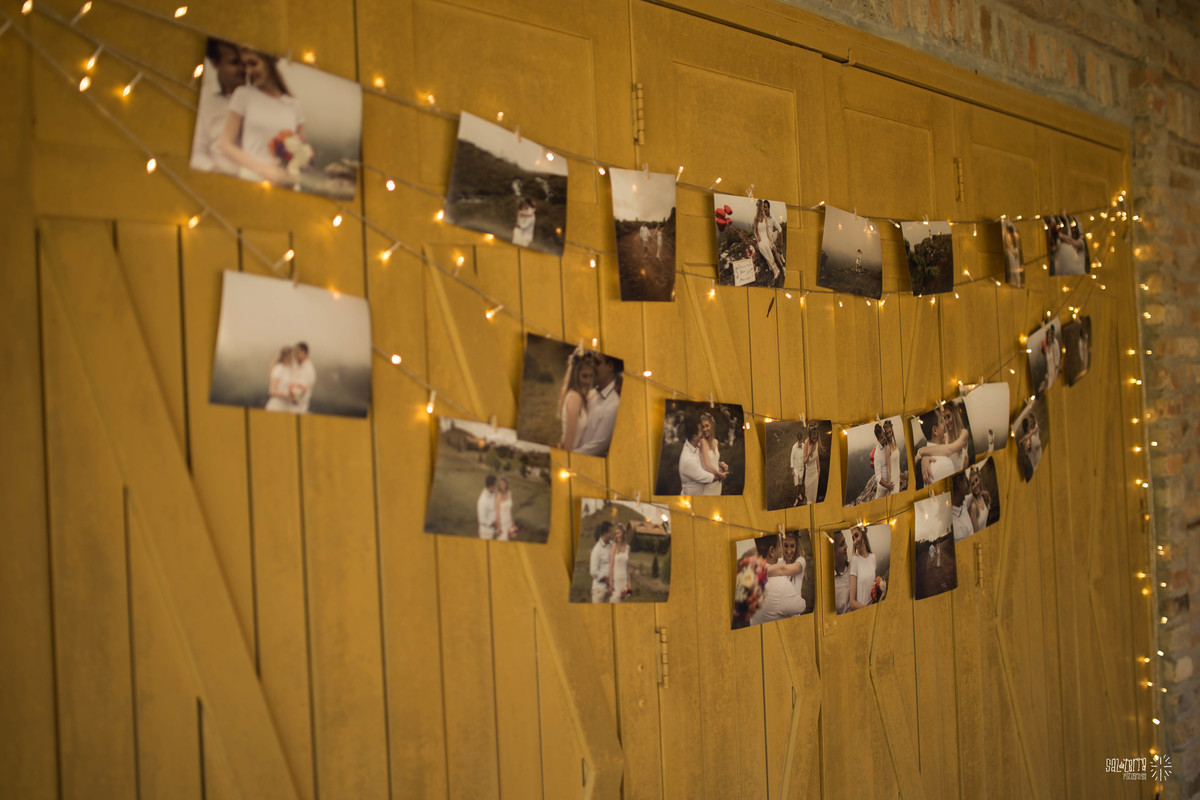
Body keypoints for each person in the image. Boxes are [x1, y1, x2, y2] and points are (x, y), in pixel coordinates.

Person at [219, 47, 307, 187]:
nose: (248, 71)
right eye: (245, 65)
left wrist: (292, 174)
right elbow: (225, 145)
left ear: (269, 63)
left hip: (284, 185)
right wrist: (263, 169)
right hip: (251, 180)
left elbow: (301, 152)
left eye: (253, 64)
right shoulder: (243, 94)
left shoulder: (294, 105)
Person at [190, 38, 244, 175]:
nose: (243, 69)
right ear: (215, 64)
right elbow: (196, 150)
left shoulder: (260, 93)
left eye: (245, 62)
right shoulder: (203, 99)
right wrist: (215, 172)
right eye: (235, 62)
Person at [749, 535, 806, 624]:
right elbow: (802, 607)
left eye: (792, 546)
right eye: (781, 545)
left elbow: (791, 568)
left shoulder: (749, 579)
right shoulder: (781, 583)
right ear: (772, 551)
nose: (788, 550)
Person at [575, 354, 621, 457]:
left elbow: (595, 447)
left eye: (597, 363)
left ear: (610, 366)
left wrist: (568, 454)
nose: (593, 367)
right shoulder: (591, 393)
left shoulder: (613, 405)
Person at [916, 404, 969, 486]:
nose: (946, 422)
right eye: (943, 419)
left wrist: (922, 451)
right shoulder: (944, 438)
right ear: (935, 430)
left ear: (954, 415)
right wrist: (924, 458)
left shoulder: (964, 433)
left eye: (948, 416)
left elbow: (949, 450)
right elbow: (935, 448)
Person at [557, 351, 595, 452]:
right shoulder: (575, 398)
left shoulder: (579, 396)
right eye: (584, 376)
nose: (588, 381)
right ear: (575, 374)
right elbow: (568, 443)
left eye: (591, 376)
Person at [678, 415, 716, 495]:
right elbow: (709, 478)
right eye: (701, 431)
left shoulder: (697, 445)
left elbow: (707, 460)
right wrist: (722, 475)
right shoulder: (688, 459)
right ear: (695, 437)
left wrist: (719, 464)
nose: (703, 431)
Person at [698, 411, 729, 496]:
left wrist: (721, 464)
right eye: (703, 427)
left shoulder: (716, 442)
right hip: (709, 482)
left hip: (717, 483)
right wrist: (720, 475)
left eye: (707, 426)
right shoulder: (702, 442)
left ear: (711, 426)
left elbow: (713, 461)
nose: (705, 429)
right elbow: (707, 466)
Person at [753, 199, 785, 282]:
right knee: (762, 247)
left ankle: (775, 268)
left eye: (763, 207)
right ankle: (775, 268)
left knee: (767, 246)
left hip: (766, 237)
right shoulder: (756, 218)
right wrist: (757, 238)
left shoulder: (765, 218)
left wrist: (771, 242)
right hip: (761, 237)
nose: (762, 209)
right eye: (761, 207)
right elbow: (755, 231)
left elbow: (767, 231)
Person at [848, 526, 877, 610]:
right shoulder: (855, 560)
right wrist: (867, 608)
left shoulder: (873, 558)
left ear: (863, 534)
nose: (854, 541)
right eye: (853, 538)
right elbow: (852, 603)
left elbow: (874, 588)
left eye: (856, 535)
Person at [589, 521, 615, 602]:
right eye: (610, 532)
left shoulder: (611, 545)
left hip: (610, 590)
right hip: (599, 590)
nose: (611, 534)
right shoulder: (597, 549)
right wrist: (606, 579)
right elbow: (593, 571)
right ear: (604, 533)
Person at [265, 346, 295, 412]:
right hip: (277, 406)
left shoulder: (289, 369)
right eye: (291, 356)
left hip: (287, 406)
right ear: (286, 356)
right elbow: (272, 391)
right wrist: (287, 396)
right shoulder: (278, 368)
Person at [290, 342, 316, 413]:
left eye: (297, 352)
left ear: (304, 352)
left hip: (298, 407)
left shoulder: (308, 369)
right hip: (292, 406)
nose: (295, 355)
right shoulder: (298, 366)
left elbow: (300, 389)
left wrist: (291, 396)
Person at [608, 526, 631, 603]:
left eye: (618, 533)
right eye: (615, 533)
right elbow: (611, 565)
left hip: (624, 582)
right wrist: (611, 583)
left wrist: (629, 583)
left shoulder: (628, 548)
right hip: (615, 582)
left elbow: (627, 567)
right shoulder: (614, 546)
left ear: (623, 533)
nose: (616, 535)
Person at [833, 532, 851, 615]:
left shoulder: (855, 565)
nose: (846, 546)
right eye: (841, 544)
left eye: (845, 542)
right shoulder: (830, 586)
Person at [872, 423, 893, 499]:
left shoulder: (887, 443)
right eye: (881, 437)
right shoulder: (877, 454)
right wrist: (887, 485)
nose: (884, 438)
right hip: (883, 489)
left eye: (884, 434)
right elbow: (878, 477)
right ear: (878, 439)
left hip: (891, 484)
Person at [476, 475, 499, 539]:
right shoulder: (483, 500)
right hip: (486, 532)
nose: (496, 487)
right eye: (495, 485)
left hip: (494, 530)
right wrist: (493, 524)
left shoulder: (494, 493)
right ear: (491, 486)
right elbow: (482, 520)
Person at [1040, 324, 1061, 391]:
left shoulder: (1054, 344)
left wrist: (1056, 367)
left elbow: (1056, 357)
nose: (1050, 336)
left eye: (1051, 334)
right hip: (1049, 369)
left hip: (1053, 368)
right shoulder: (1045, 347)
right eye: (1048, 335)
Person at [790, 430, 806, 506]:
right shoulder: (794, 447)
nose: (799, 444)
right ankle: (796, 498)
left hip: (802, 469)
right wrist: (793, 470)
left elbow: (805, 458)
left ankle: (799, 493)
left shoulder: (804, 447)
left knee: (800, 484)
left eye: (800, 442)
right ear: (797, 440)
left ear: (802, 440)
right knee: (796, 485)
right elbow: (792, 458)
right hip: (796, 470)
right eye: (798, 442)